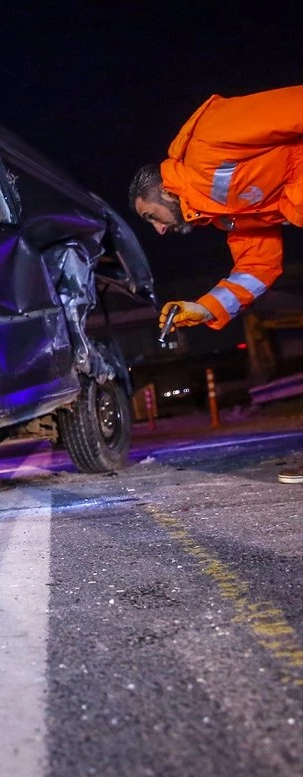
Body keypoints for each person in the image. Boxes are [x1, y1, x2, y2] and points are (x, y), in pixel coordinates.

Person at [129, 85, 302, 485]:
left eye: (150, 216)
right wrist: (203, 308)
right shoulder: (226, 216)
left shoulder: (212, 136)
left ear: (165, 191)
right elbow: (258, 266)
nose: (158, 230)